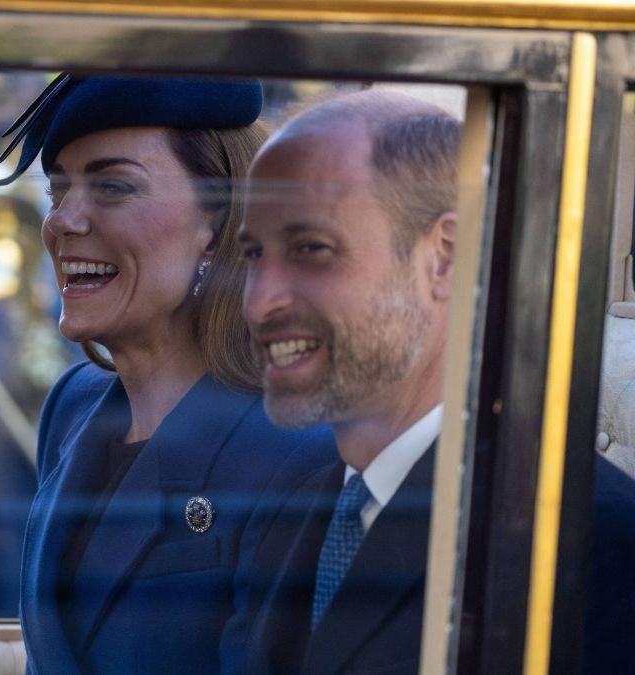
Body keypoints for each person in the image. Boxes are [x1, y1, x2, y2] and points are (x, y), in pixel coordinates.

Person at [226, 90, 635, 674]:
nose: (260, 301)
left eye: (310, 249)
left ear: (445, 256)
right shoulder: (294, 512)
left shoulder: (587, 542)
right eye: (253, 255)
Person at [0, 74, 337, 674]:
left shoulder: (297, 449)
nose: (63, 222)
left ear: (223, 222)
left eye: (113, 187)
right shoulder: (73, 405)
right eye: (58, 191)